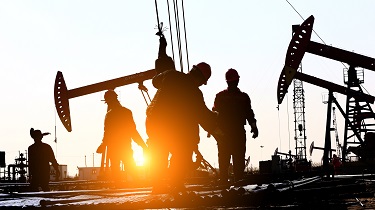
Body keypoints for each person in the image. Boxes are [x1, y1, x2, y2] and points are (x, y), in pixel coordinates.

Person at [146, 35, 221, 193]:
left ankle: (157, 186)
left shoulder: (171, 75)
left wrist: (163, 55)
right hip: (168, 125)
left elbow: (154, 81)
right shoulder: (194, 92)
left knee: (158, 152)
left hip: (153, 121)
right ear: (201, 79)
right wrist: (216, 119)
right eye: (202, 82)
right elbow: (203, 117)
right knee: (183, 151)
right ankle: (176, 184)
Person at [212, 68, 259, 184]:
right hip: (236, 133)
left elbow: (214, 114)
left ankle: (225, 183)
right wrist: (254, 127)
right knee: (236, 162)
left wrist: (213, 130)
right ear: (237, 80)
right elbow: (249, 114)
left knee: (224, 161)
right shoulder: (243, 97)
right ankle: (236, 184)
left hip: (225, 134)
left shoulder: (221, 97)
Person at [100, 89, 148, 181]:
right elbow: (133, 132)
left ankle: (118, 189)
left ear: (109, 102)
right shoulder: (126, 112)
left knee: (116, 173)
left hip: (114, 148)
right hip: (125, 146)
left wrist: (103, 145)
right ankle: (136, 184)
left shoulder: (109, 115)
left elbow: (107, 133)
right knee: (131, 168)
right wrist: (143, 145)